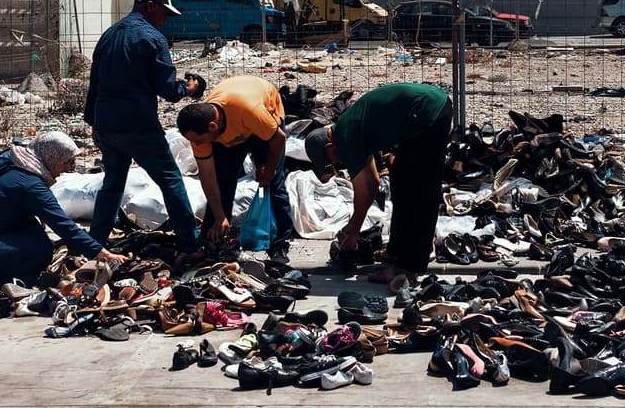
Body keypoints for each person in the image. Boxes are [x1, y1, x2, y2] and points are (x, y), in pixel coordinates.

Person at [0, 131, 127, 308]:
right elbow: (64, 226)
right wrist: (104, 254)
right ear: (52, 158)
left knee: (33, 233)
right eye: (66, 162)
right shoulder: (30, 184)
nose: (68, 170)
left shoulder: (8, 163)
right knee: (41, 251)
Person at [84, 0, 206, 252]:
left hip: (107, 123)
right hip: (138, 124)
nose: (166, 20)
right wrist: (189, 89)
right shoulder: (153, 38)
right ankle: (189, 240)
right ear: (150, 6)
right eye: (164, 13)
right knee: (170, 180)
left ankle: (95, 242)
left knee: (113, 183)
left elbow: (95, 82)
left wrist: (93, 121)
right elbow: (168, 90)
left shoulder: (108, 35)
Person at [304, 82, 452, 284]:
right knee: (401, 180)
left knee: (419, 191)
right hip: (423, 112)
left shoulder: (346, 137)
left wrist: (353, 232)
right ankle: (397, 250)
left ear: (329, 146)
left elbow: (364, 190)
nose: (336, 163)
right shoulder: (348, 130)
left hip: (429, 112)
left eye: (330, 160)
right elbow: (373, 182)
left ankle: (408, 267)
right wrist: (352, 227)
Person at [176, 75, 293, 262]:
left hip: (263, 118)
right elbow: (208, 176)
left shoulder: (250, 111)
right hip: (231, 128)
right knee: (223, 182)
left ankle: (279, 245)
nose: (197, 145)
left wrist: (269, 168)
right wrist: (220, 216)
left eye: (199, 140)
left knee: (273, 184)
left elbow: (278, 139)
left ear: (212, 126)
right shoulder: (200, 131)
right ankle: (212, 240)